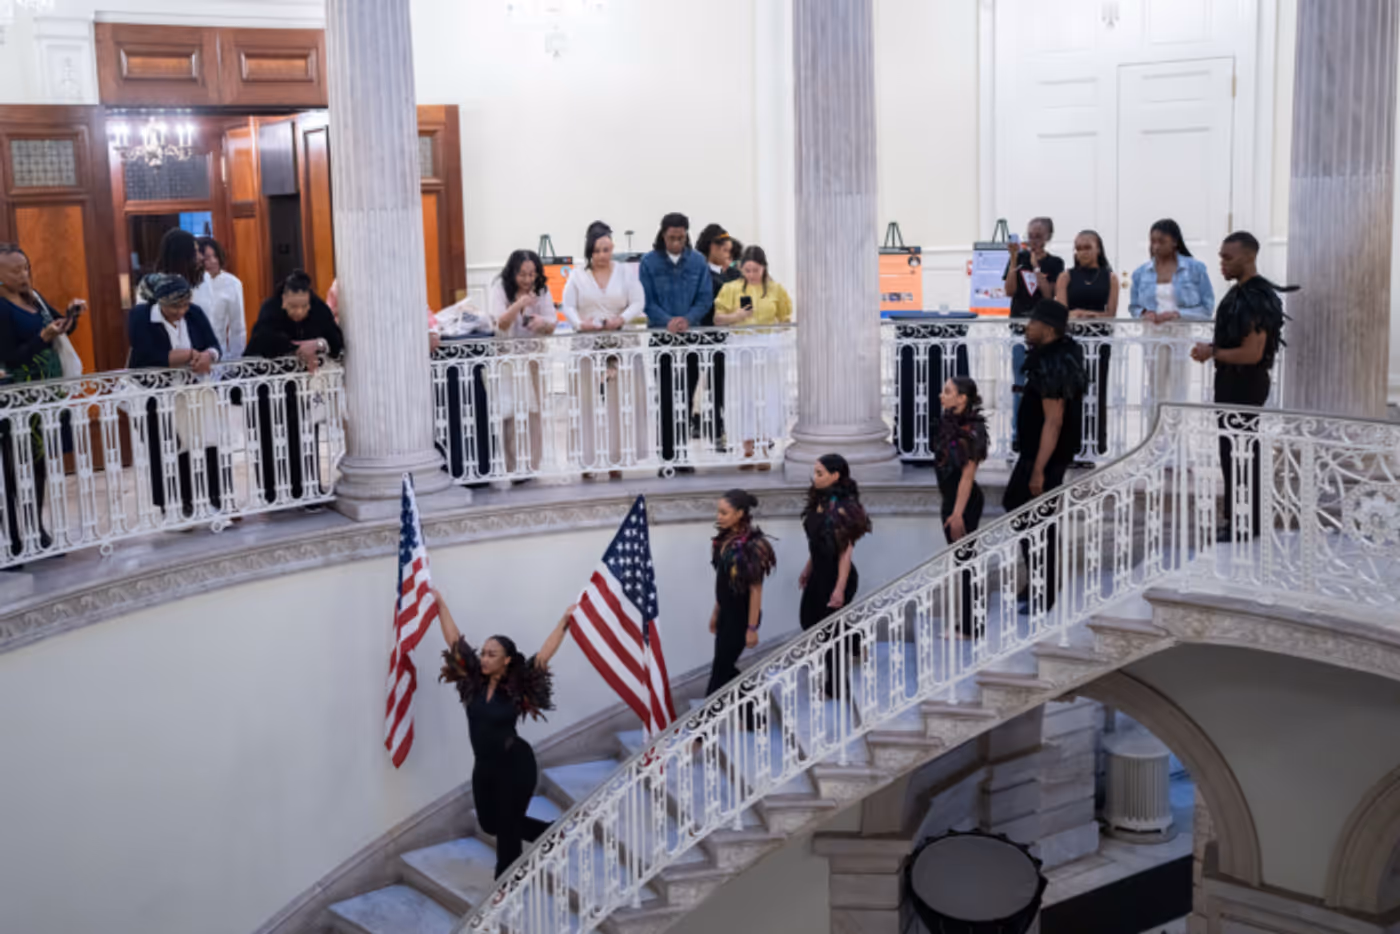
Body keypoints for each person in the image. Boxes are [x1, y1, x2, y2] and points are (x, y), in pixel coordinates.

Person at [434, 587, 572, 878]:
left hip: (515, 763)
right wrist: (440, 603)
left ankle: (505, 883)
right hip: (484, 765)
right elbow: (454, 641)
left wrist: (563, 622)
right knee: (490, 824)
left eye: (491, 654)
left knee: (508, 824)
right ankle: (553, 834)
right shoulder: (472, 681)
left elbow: (542, 657)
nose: (484, 658)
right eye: (483, 653)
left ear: (507, 659)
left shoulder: (518, 686)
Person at [1191, 231, 1293, 543]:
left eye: (1228, 257)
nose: (1221, 262)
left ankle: (1245, 522)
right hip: (1232, 381)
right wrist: (1216, 349)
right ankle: (1239, 519)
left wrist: (1213, 353)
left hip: (1245, 383)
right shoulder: (1240, 293)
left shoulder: (1256, 296)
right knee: (1233, 450)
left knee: (1241, 451)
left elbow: (1253, 353)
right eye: (1221, 255)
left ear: (1248, 257)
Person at [1003, 300, 1087, 615]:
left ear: (1049, 329)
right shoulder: (1053, 355)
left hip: (1044, 456)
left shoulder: (1054, 362)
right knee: (1020, 508)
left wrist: (1038, 470)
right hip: (1037, 452)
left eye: (1033, 322)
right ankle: (1038, 580)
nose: (1027, 327)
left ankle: (1045, 589)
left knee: (1036, 517)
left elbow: (1054, 421)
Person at [0, 243, 81, 556]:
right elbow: (9, 357)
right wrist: (41, 339)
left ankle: (36, 529)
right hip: (19, 401)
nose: (23, 275)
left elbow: (60, 329)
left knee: (39, 467)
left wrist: (71, 316)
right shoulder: (2, 307)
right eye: (15, 271)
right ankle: (15, 538)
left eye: (25, 268)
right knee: (13, 469)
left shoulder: (35, 298)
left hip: (47, 396)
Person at [127, 273, 225, 519]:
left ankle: (210, 498)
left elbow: (214, 345)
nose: (181, 311)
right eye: (174, 306)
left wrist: (208, 356)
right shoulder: (141, 317)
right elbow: (148, 356)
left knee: (201, 444)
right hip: (157, 397)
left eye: (185, 304)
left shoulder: (195, 313)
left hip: (193, 394)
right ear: (160, 302)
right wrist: (190, 354)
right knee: (166, 448)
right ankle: (173, 504)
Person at [244, 270, 344, 505]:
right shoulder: (269, 309)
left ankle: (307, 490)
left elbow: (336, 341)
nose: (298, 313)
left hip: (304, 388)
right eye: (292, 307)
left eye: (303, 307)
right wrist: (293, 347)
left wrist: (318, 343)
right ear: (283, 301)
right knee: (270, 438)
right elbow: (261, 340)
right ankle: (273, 493)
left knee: (306, 437)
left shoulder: (319, 310)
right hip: (270, 389)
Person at [561, 221, 648, 479]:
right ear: (590, 250)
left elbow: (638, 300)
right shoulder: (577, 275)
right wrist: (580, 324)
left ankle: (616, 458)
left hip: (620, 346)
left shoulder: (623, 272)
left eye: (607, 249)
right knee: (584, 401)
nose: (602, 256)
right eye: (598, 250)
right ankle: (586, 460)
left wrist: (621, 319)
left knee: (619, 402)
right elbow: (568, 305)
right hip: (587, 346)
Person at [640, 213, 714, 472]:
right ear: (663, 235)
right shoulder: (648, 263)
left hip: (690, 339)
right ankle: (667, 456)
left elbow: (705, 298)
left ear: (686, 235)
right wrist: (667, 322)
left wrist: (688, 320)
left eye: (680, 238)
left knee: (686, 396)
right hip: (662, 340)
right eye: (671, 238)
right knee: (666, 397)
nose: (676, 243)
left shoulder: (698, 262)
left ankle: (683, 453)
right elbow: (646, 301)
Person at [713, 245, 793, 469]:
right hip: (741, 346)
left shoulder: (776, 289)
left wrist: (777, 329)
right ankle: (746, 446)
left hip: (766, 346)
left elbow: (786, 317)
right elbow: (718, 318)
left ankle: (763, 446)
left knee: (765, 395)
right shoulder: (731, 289)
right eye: (747, 270)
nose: (751, 275)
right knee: (743, 395)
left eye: (755, 270)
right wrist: (737, 316)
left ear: (764, 268)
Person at [799, 454, 871, 697]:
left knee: (829, 635)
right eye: (815, 472)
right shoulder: (819, 500)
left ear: (835, 476)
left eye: (820, 473)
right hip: (819, 573)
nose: (815, 477)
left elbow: (845, 553)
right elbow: (817, 540)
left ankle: (836, 688)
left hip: (839, 577)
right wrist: (808, 567)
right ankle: (857, 642)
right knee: (808, 619)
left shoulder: (843, 508)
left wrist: (839, 589)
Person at [708, 489, 776, 721]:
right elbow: (722, 583)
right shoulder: (721, 542)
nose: (719, 517)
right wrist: (716, 613)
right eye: (719, 511)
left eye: (725, 513)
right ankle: (755, 713)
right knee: (724, 669)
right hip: (726, 613)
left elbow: (756, 589)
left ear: (740, 514)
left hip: (742, 617)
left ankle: (700, 734)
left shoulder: (752, 546)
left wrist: (752, 627)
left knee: (719, 672)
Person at [489, 250, 557, 477]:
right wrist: (519, 305)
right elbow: (500, 323)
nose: (528, 280)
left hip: (533, 360)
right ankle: (513, 466)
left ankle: (531, 466)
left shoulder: (542, 291)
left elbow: (552, 324)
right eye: (523, 275)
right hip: (508, 361)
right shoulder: (499, 289)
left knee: (533, 413)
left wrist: (542, 323)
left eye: (532, 274)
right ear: (512, 273)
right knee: (511, 414)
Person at [935, 377, 990, 637]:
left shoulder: (973, 430)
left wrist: (957, 513)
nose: (941, 395)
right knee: (962, 561)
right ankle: (968, 620)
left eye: (947, 391)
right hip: (951, 499)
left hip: (963, 502)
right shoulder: (948, 422)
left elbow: (967, 476)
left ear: (962, 398)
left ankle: (970, 626)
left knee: (966, 561)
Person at [1055, 229, 1117, 458]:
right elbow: (1062, 312)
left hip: (1099, 342)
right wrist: (1079, 315)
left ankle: (1094, 445)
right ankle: (1071, 447)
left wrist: (1085, 314)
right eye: (1078, 248)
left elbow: (1110, 314)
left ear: (1098, 248)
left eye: (1087, 247)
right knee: (1072, 393)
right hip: (1073, 342)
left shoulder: (1110, 277)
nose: (1082, 252)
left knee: (1096, 391)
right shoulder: (1066, 276)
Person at [1004, 217, 1063, 448]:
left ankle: (1042, 432)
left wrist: (1036, 266)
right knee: (1020, 382)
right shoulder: (1017, 259)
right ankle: (1018, 433)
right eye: (1030, 235)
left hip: (1045, 331)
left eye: (1038, 236)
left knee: (1045, 382)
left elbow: (1050, 296)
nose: (1033, 240)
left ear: (1048, 237)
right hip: (1020, 329)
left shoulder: (1055, 263)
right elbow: (1009, 291)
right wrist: (1012, 260)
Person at [696, 223, 740, 449]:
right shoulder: (701, 274)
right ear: (711, 247)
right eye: (724, 250)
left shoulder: (735, 273)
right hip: (710, 337)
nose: (728, 255)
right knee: (716, 387)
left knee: (736, 387)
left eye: (729, 251)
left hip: (736, 339)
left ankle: (742, 431)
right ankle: (717, 431)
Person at [1128, 219, 1215, 322]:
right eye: (1153, 241)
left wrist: (1178, 314)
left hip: (1185, 333)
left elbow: (1207, 308)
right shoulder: (1140, 273)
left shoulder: (1195, 269)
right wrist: (1144, 313)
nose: (1156, 247)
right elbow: (1134, 307)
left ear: (1174, 242)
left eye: (1161, 242)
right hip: (1150, 333)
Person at [196, 237, 247, 360]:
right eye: (207, 258)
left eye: (215, 256)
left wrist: (236, 358)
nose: (213, 261)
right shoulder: (193, 282)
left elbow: (237, 326)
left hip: (220, 351)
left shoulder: (233, 283)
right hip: (196, 352)